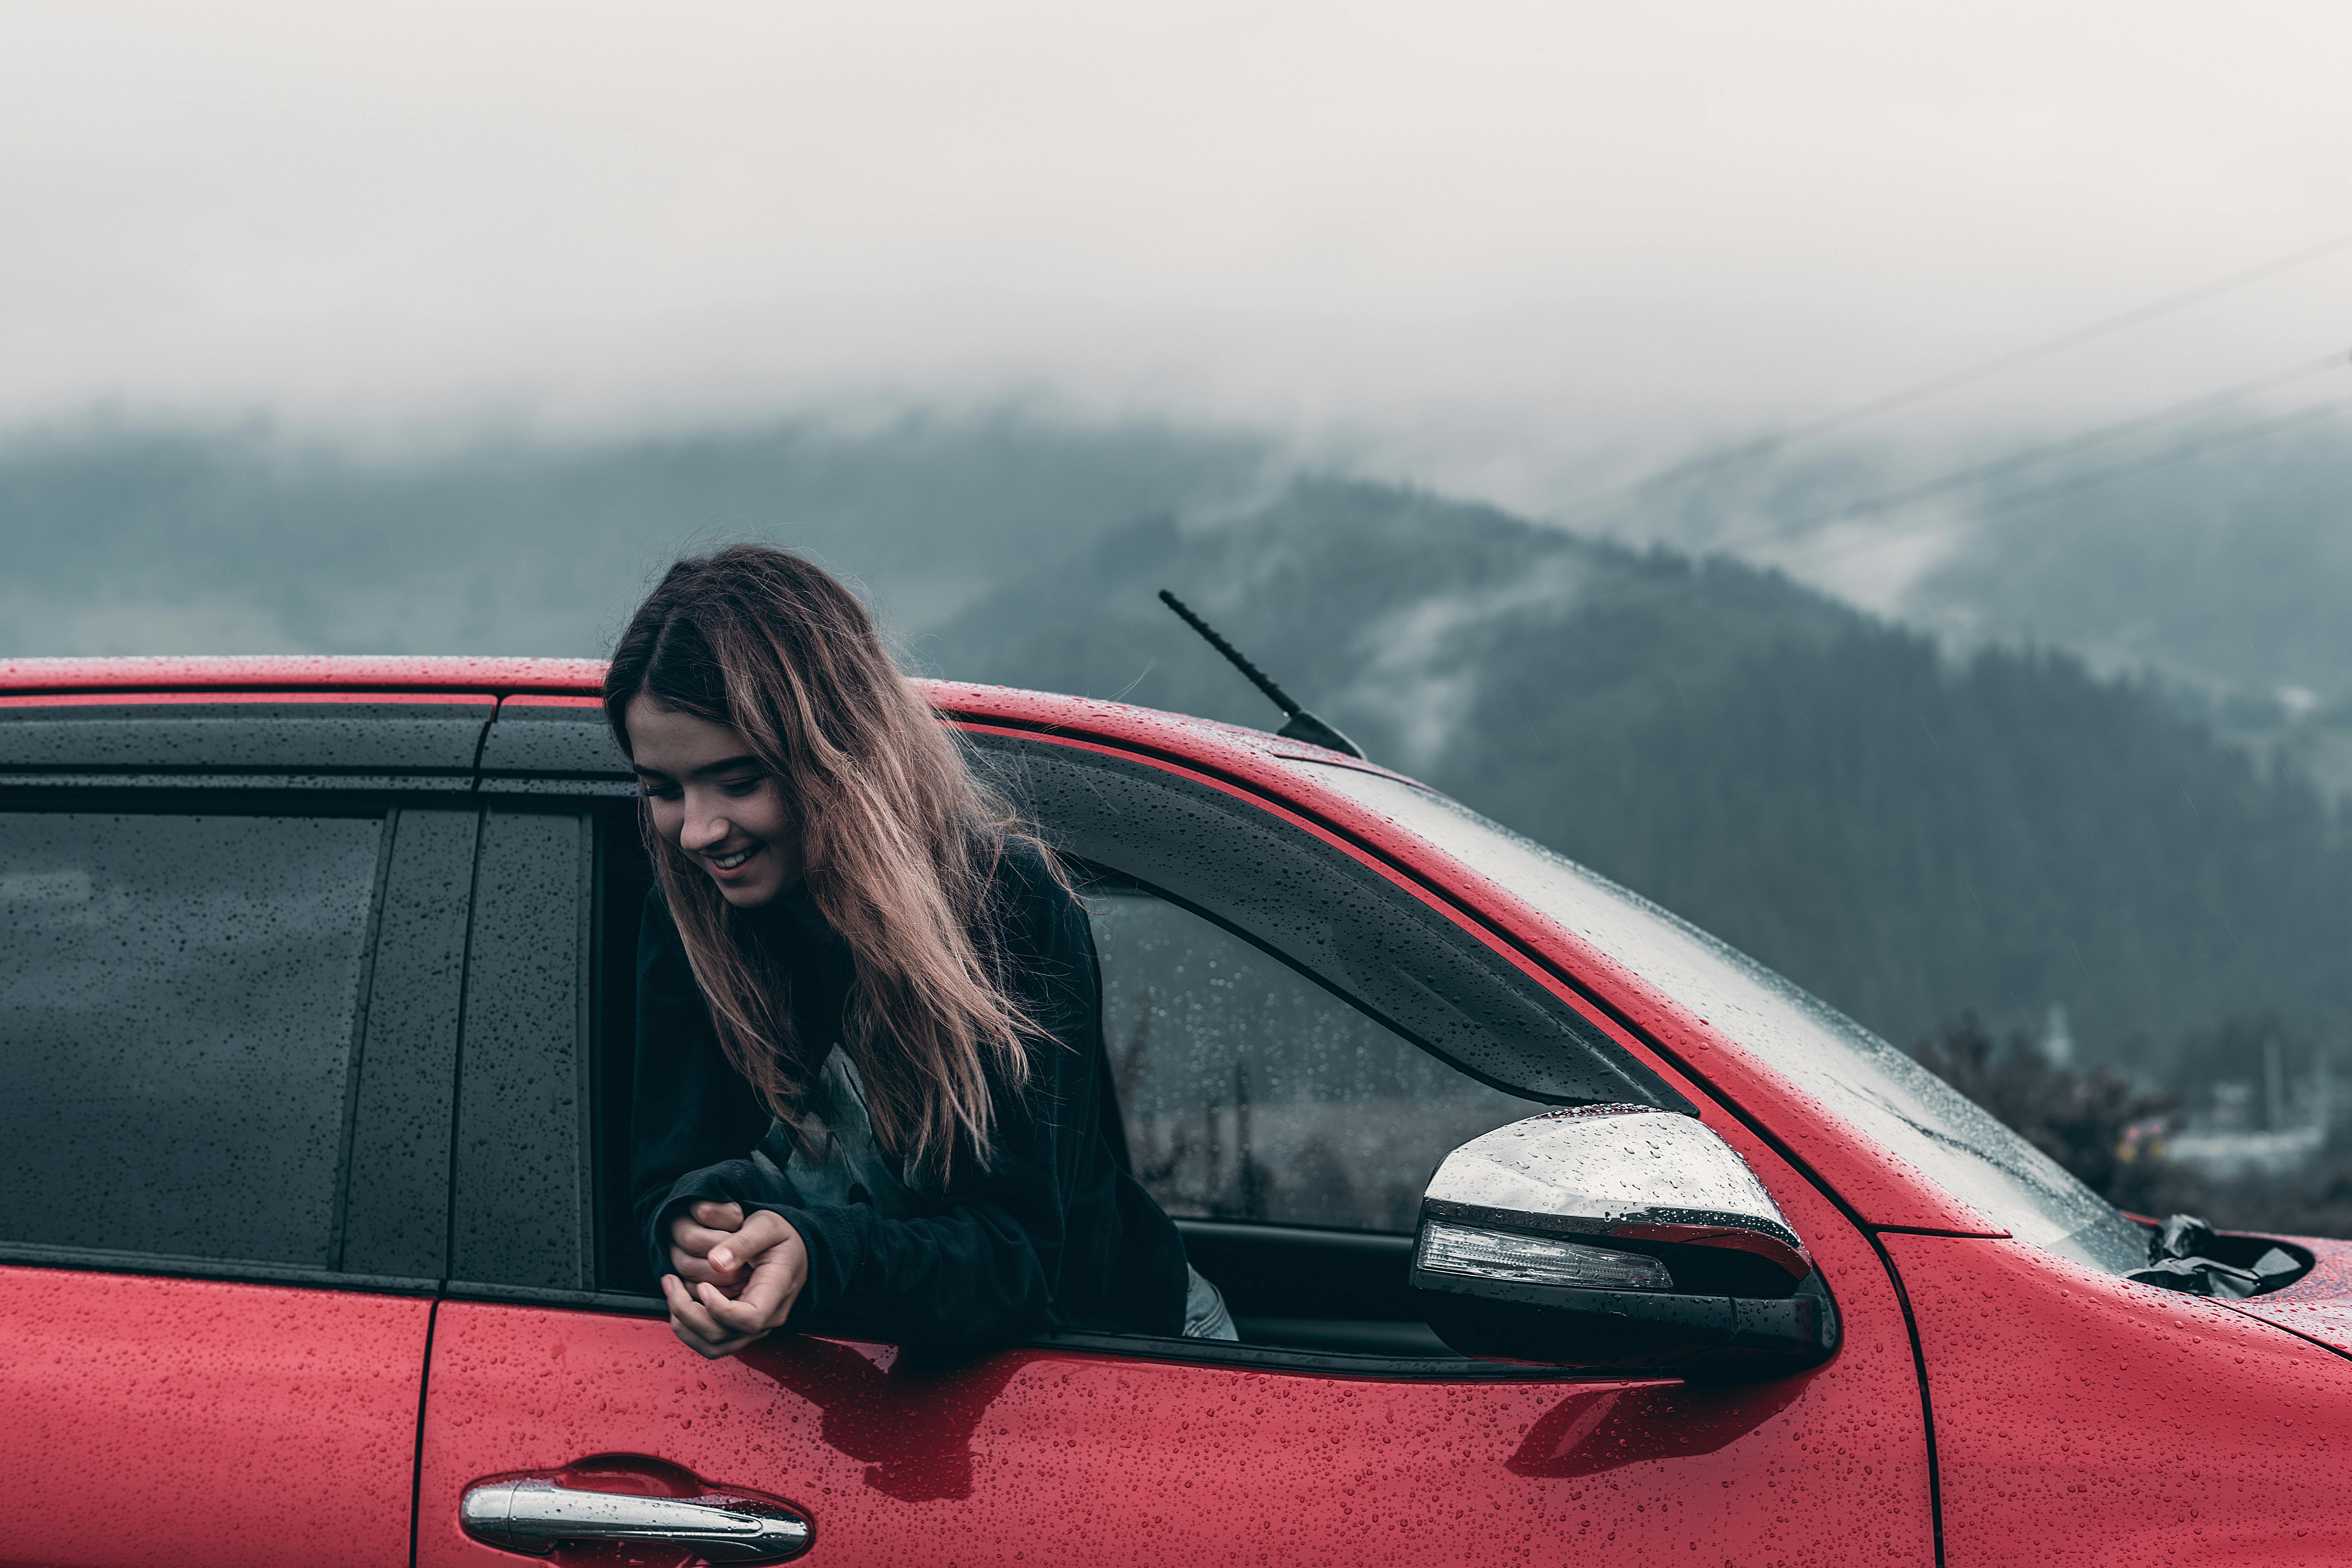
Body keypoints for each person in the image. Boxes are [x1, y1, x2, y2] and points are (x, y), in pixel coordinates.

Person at [608, 544, 1234, 1359]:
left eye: (738, 782)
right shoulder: (689, 914)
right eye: (663, 790)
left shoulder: (1002, 905)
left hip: (1105, 1365)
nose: (697, 831)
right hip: (854, 1381)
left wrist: (813, 1259)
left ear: (836, 754)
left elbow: (1015, 1258)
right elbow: (674, 1172)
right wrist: (697, 1231)